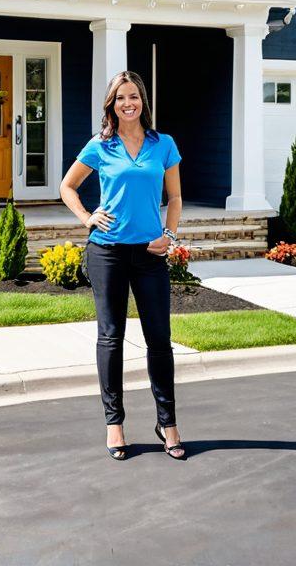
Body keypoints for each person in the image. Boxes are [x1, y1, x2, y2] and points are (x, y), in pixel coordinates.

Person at [59, 70, 185, 461]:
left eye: (133, 97)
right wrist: (86, 217)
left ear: (143, 100)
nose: (127, 104)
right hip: (107, 252)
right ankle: (114, 424)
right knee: (111, 338)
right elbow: (67, 187)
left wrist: (170, 236)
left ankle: (168, 423)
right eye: (119, 98)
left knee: (159, 341)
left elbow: (176, 197)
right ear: (111, 105)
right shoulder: (101, 146)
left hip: (150, 254)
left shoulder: (162, 144)